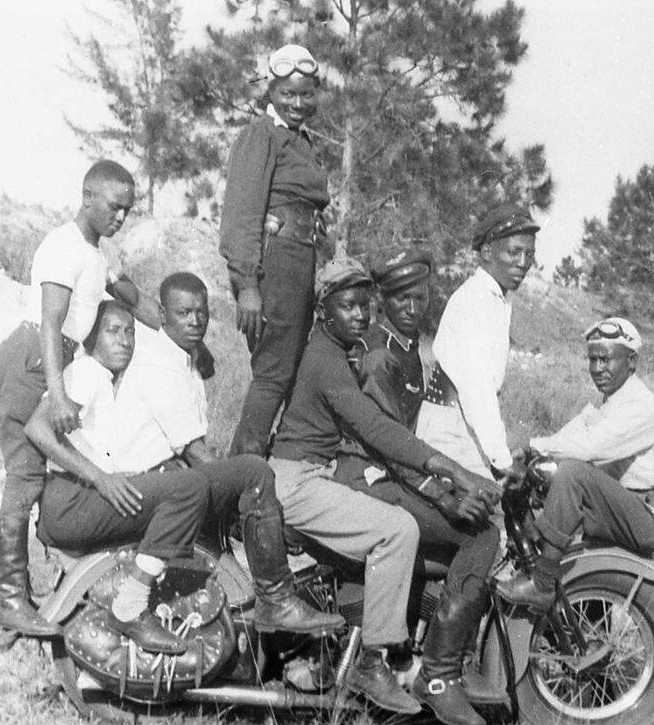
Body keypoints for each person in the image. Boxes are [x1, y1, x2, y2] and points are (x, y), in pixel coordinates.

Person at [268, 257, 499, 715]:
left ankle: (414, 656)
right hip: (310, 478)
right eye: (348, 306)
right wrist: (453, 477)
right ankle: (388, 665)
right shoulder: (338, 359)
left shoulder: (348, 351)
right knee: (402, 530)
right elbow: (378, 430)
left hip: (318, 473)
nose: (360, 315)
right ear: (324, 312)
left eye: (363, 305)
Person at [333, 250, 503, 725]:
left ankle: (423, 652)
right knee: (480, 534)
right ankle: (441, 675)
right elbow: (388, 443)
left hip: (390, 474)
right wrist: (443, 493)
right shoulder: (380, 356)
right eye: (400, 298)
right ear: (382, 301)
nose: (412, 307)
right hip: (367, 478)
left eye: (421, 297)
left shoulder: (410, 349)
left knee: (465, 526)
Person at [123, 271, 343, 635]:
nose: (195, 321)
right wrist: (244, 488)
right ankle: (278, 600)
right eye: (183, 313)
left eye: (202, 312)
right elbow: (195, 452)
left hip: (167, 474)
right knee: (254, 473)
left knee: (249, 484)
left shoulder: (181, 356)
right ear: (162, 315)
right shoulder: (162, 366)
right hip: (153, 479)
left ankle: (250, 594)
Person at [0, 160, 137, 637]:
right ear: (87, 197)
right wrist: (58, 392)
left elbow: (122, 294)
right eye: (114, 206)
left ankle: (43, 585)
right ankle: (9, 600)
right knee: (25, 478)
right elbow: (51, 323)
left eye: (128, 210)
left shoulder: (94, 253)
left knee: (50, 473)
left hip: (53, 359)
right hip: (33, 359)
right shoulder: (62, 246)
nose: (120, 217)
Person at [24, 300, 209, 653]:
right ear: (93, 337)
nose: (124, 340)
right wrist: (101, 479)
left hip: (73, 498)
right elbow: (37, 428)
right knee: (189, 488)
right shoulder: (88, 373)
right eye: (113, 331)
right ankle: (132, 606)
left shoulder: (103, 379)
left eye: (130, 332)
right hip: (71, 501)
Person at [497, 317, 654, 611]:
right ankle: (534, 555)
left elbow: (590, 448)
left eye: (605, 359)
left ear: (631, 362)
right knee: (544, 482)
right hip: (622, 505)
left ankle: (542, 583)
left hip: (648, 515)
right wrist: (525, 453)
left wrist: (536, 447)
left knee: (573, 473)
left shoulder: (640, 405)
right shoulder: (606, 401)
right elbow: (570, 435)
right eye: (592, 359)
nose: (597, 368)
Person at [220, 43, 330, 456]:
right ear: (271, 91)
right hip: (276, 264)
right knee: (273, 372)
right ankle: (240, 473)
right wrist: (247, 285)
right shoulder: (260, 135)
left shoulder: (300, 142)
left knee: (295, 370)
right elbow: (241, 214)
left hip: (302, 263)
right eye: (288, 94)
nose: (297, 103)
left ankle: (281, 465)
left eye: (306, 94)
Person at [415, 203, 539, 485]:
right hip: (447, 426)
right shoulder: (476, 300)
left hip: (464, 423)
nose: (523, 262)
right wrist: (501, 458)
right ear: (487, 252)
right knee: (487, 501)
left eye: (529, 254)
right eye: (514, 252)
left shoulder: (498, 298)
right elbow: (477, 387)